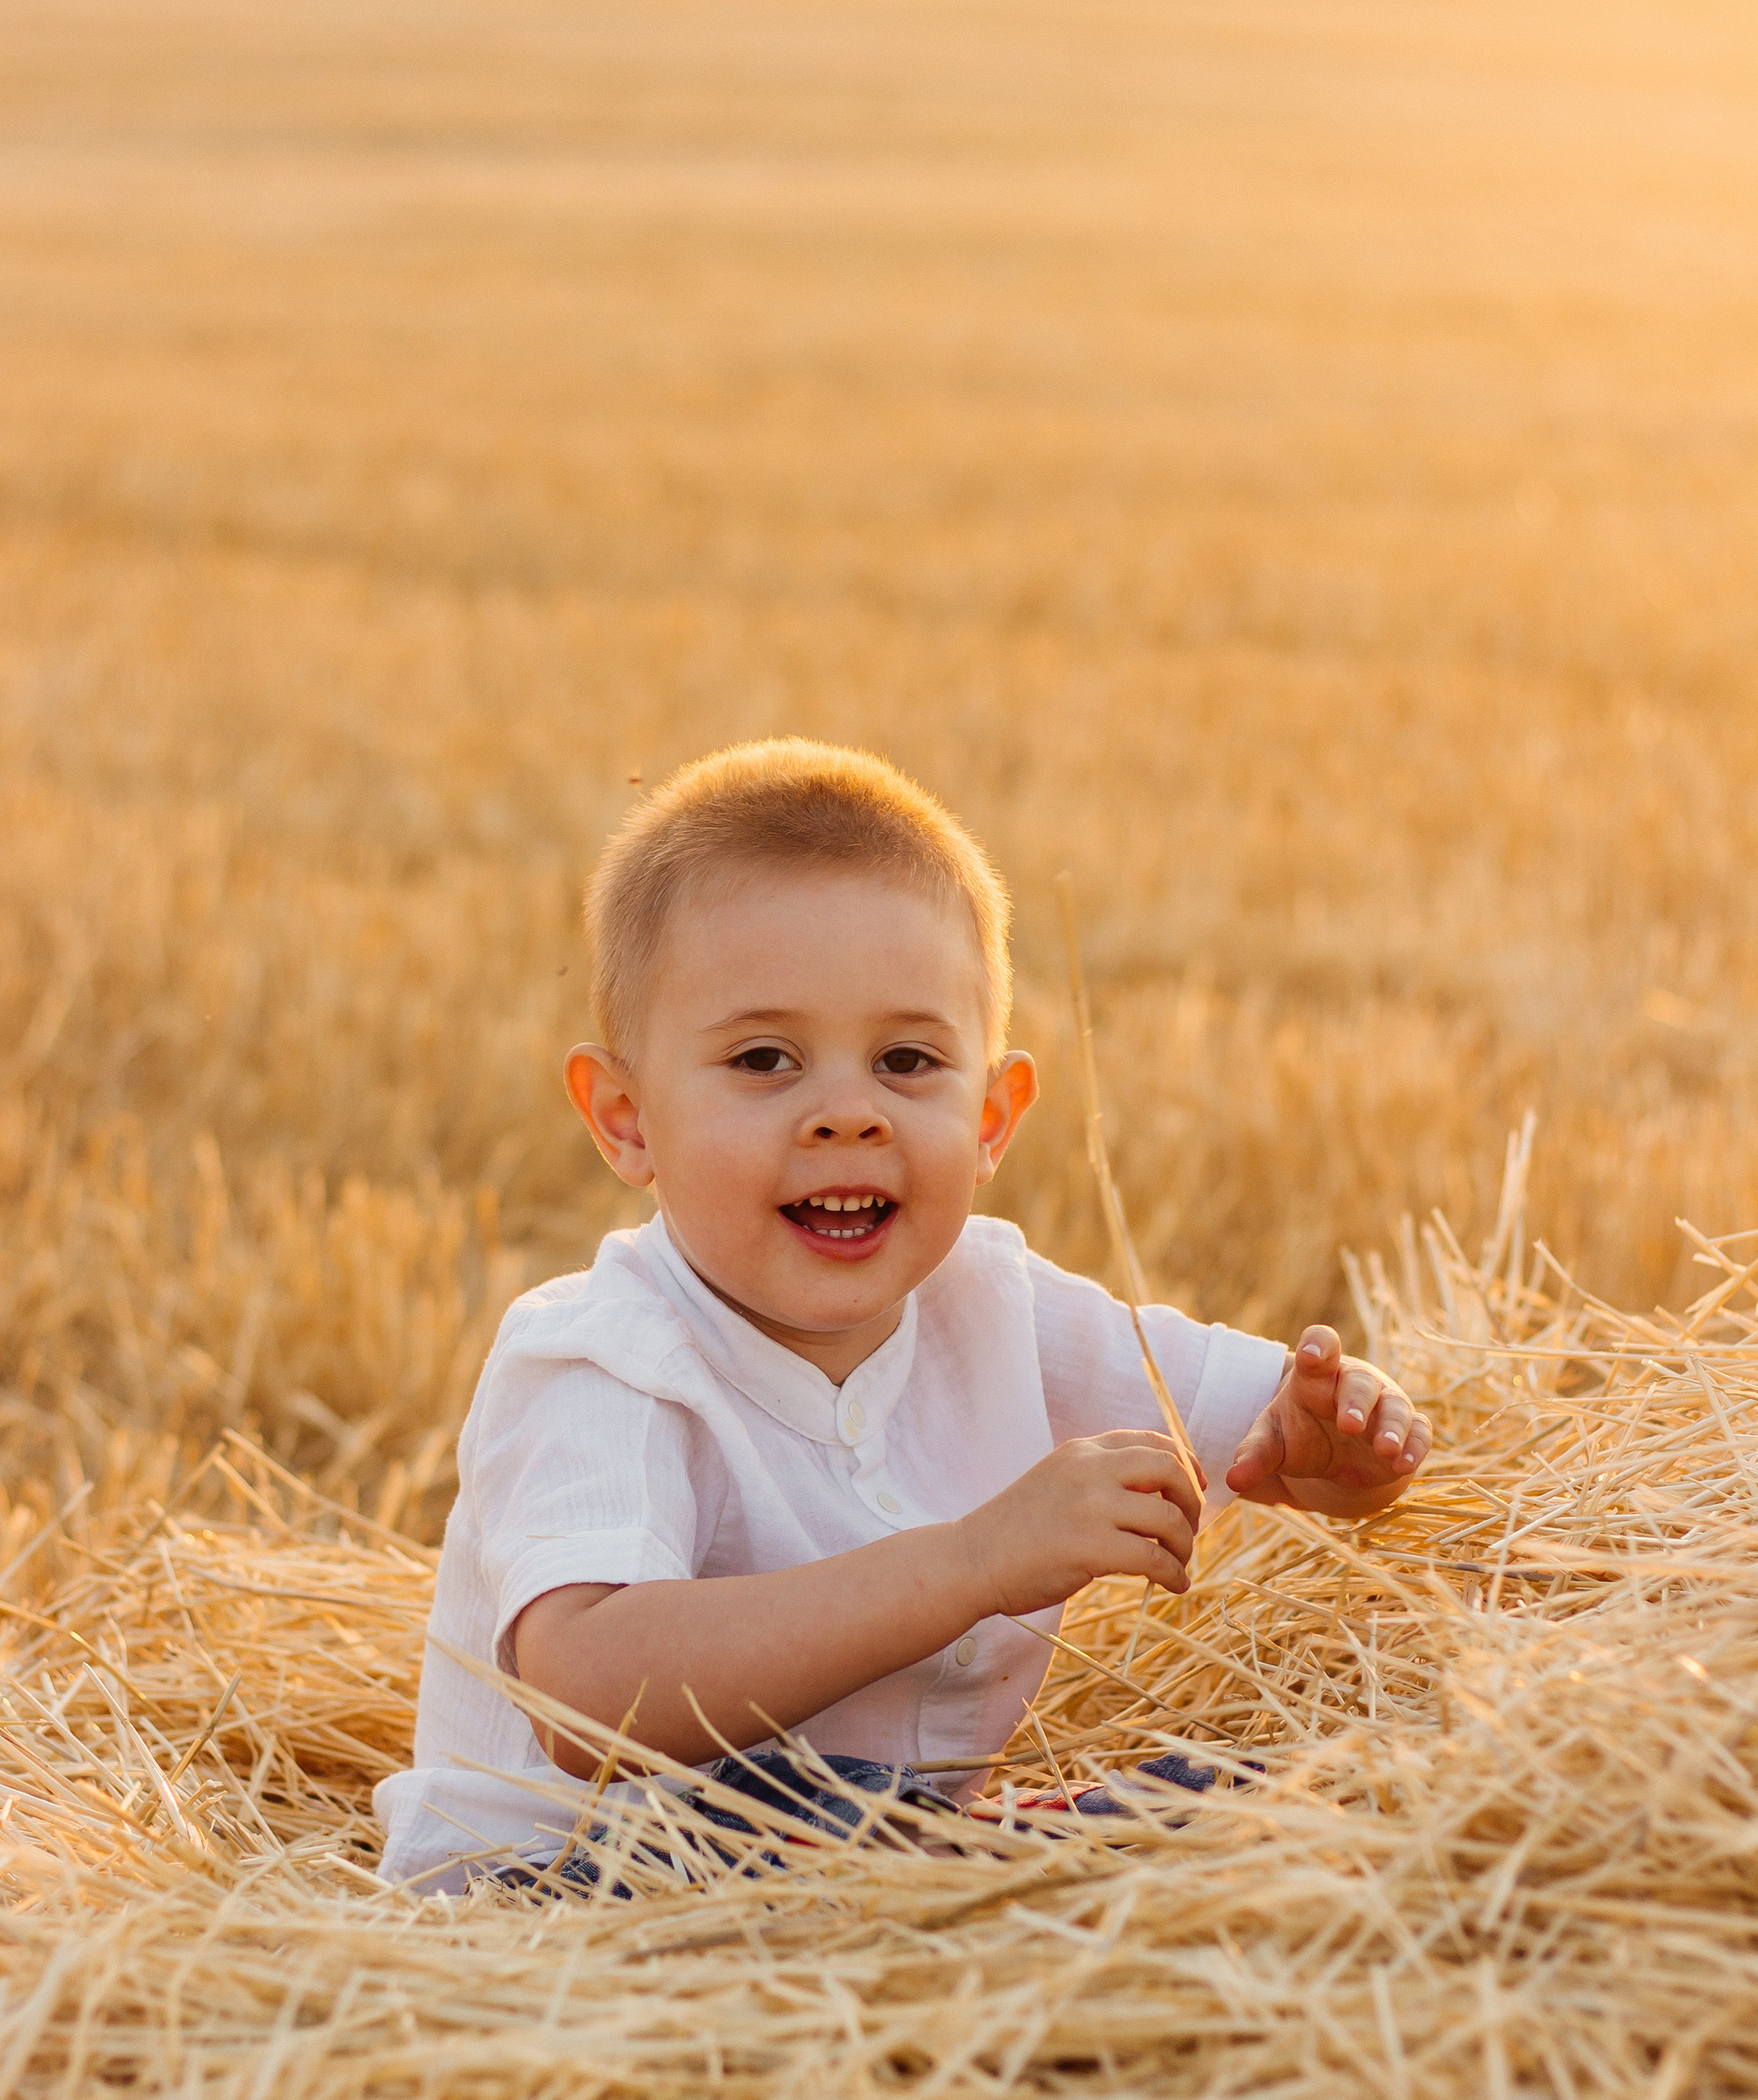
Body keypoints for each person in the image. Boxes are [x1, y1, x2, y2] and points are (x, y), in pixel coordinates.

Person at [374, 740, 1430, 1890]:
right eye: (766, 1059)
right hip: (561, 1888)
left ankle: (997, 1869)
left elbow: (1271, 1427)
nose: (846, 1114)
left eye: (907, 1060)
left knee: (1266, 1808)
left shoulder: (997, 1302)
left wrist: (1339, 1444)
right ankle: (978, 1873)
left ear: (990, 1120)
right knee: (867, 1828)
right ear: (627, 1119)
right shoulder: (603, 1361)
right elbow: (588, 1699)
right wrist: (975, 1560)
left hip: (854, 1860)